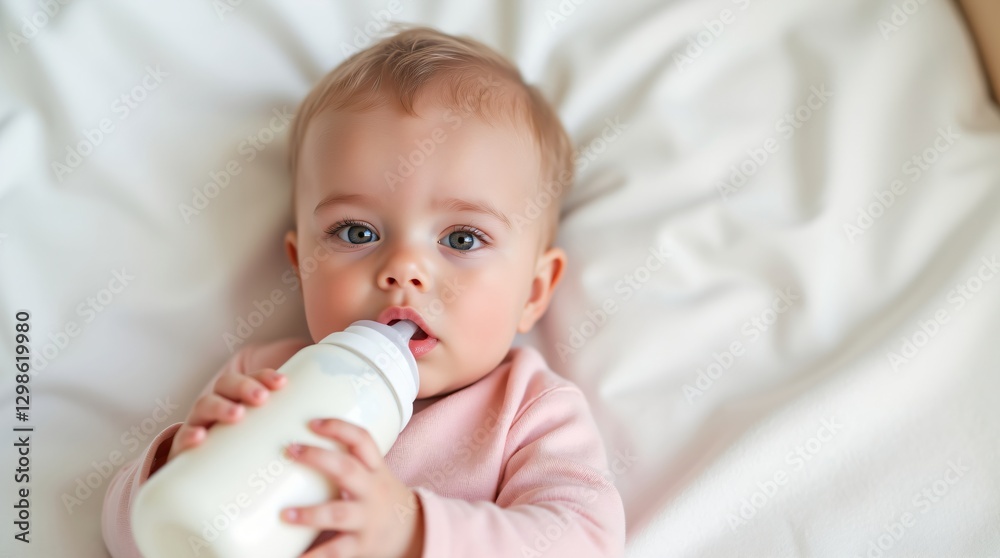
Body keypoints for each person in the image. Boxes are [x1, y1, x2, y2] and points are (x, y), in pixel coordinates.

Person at [102, 25, 626, 558]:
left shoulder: (527, 409)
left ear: (534, 292)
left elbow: (584, 540)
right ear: (301, 265)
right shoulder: (265, 382)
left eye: (462, 238)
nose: (402, 269)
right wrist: (176, 466)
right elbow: (133, 539)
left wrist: (412, 532)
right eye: (357, 233)